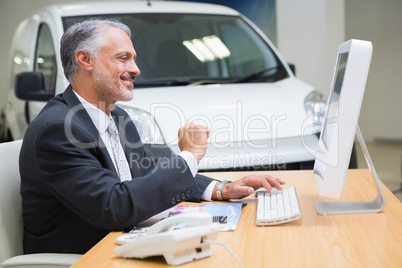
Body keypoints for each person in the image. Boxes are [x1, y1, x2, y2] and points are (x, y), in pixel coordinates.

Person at [19, 19, 285, 254]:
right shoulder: (57, 129)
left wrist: (220, 189)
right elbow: (115, 206)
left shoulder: (117, 116)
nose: (135, 69)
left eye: (133, 59)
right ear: (85, 60)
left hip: (123, 242)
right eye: (123, 58)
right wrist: (189, 156)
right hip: (87, 255)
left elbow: (143, 174)